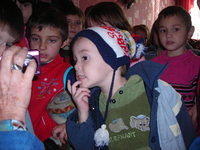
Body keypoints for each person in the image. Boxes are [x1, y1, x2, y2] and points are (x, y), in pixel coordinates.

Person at [65, 26, 195, 150]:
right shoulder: (92, 103)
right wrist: (83, 113)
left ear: (112, 58)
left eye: (84, 58)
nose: (76, 66)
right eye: (75, 60)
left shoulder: (156, 91)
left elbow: (186, 132)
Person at [26, 6, 72, 148]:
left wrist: (70, 125)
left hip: (51, 142)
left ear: (64, 42)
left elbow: (88, 104)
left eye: (51, 40)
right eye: (35, 39)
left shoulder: (69, 72)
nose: (42, 46)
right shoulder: (22, 66)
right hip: (24, 137)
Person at [151, 6, 200, 132]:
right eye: (163, 30)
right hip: (158, 124)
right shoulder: (152, 64)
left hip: (185, 124)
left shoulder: (197, 63)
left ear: (189, 32)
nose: (168, 35)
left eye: (176, 29)